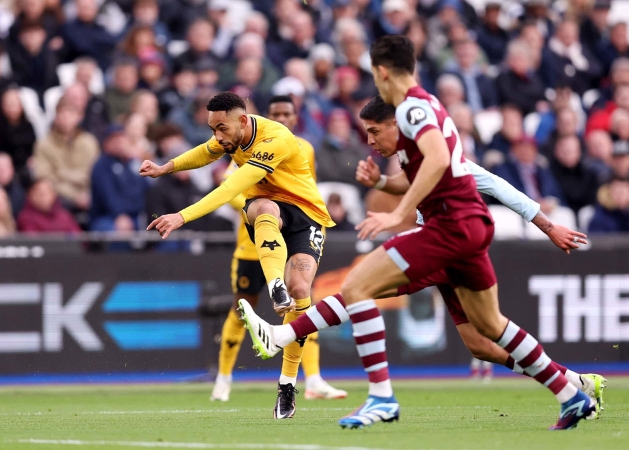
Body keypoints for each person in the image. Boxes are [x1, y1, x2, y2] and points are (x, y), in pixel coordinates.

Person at [237, 36, 596, 430]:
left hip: (449, 226)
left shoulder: (411, 108)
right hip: (467, 226)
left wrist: (397, 217)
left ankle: (378, 396)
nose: (371, 141)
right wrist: (381, 185)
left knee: (357, 285)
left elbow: (445, 163)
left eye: (374, 132)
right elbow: (427, 173)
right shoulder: (424, 113)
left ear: (382, 71)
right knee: (489, 330)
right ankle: (571, 392)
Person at [140, 91, 335, 419]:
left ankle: (287, 384)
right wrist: (165, 168)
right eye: (212, 128)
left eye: (221, 129)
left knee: (301, 291)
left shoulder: (276, 139)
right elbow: (205, 152)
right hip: (268, 211)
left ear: (242, 121)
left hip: (307, 216)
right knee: (264, 208)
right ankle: (275, 286)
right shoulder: (231, 135)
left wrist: (180, 217)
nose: (217, 136)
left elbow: (229, 189)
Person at [210, 95, 345, 404]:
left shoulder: (304, 149)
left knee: (301, 300)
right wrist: (255, 203)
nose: (282, 117)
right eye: (276, 113)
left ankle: (311, 379)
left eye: (287, 113)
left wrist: (313, 228)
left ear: (296, 118)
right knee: (242, 308)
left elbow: (306, 190)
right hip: (252, 245)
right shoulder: (245, 145)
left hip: (293, 237)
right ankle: (224, 378)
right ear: (264, 116)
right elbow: (231, 191)